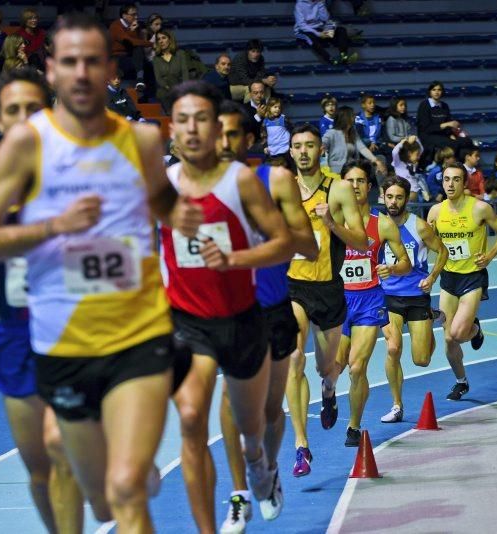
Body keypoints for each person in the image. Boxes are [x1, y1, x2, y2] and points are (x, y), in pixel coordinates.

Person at [0, 14, 197, 531]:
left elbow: (163, 203)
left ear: (108, 69)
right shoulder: (25, 147)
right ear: (50, 69)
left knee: (125, 489)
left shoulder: (140, 142)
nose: (81, 73)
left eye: (92, 61)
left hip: (138, 337)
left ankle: (132, 475)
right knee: (99, 498)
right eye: (69, 61)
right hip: (63, 346)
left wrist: (179, 216)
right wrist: (55, 226)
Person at [160, 80, 295, 533]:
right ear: (172, 129)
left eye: (202, 119)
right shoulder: (161, 185)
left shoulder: (240, 182)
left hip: (242, 321)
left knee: (250, 430)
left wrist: (234, 259)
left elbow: (283, 245)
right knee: (193, 417)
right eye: (183, 120)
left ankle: (259, 466)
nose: (192, 129)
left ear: (216, 129)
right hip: (187, 323)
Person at [0, 66, 84, 534]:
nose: (25, 118)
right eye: (14, 110)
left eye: (34, 107)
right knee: (39, 468)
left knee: (61, 449)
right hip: (17, 338)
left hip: (76, 334)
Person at [215, 100, 318, 533]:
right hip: (228, 311)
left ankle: (268, 470)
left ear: (252, 139)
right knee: (230, 401)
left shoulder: (274, 179)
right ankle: (239, 494)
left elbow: (309, 246)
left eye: (233, 134)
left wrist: (262, 233)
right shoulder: (195, 187)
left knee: (272, 411)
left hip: (273, 306)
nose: (223, 142)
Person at [286, 123, 368, 476]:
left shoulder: (339, 190)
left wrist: (331, 223)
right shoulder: (282, 188)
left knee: (326, 367)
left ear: (321, 150)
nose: (303, 151)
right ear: (290, 151)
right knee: (293, 360)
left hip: (329, 289)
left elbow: (363, 242)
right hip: (293, 286)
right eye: (297, 146)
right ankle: (301, 445)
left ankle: (329, 389)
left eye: (309, 145)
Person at [335, 161, 411, 446]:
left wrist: (391, 269)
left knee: (357, 367)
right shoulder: (333, 221)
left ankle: (354, 426)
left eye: (360, 181)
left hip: (369, 300)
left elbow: (406, 262)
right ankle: (330, 394)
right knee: (335, 368)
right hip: (338, 300)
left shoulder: (384, 224)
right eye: (349, 181)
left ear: (369, 186)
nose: (354, 186)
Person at [427, 163, 497, 400]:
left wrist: (490, 256)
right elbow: (427, 240)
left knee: (457, 333)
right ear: (442, 182)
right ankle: (461, 381)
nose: (450, 184)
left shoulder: (480, 209)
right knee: (448, 339)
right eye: (446, 179)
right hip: (449, 278)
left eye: (456, 180)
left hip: (473, 277)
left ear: (465, 184)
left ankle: (474, 329)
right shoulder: (435, 212)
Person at [380, 176, 448, 422]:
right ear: (382, 196)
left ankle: (430, 316)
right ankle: (397, 405)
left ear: (406, 199)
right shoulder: (377, 226)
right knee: (393, 348)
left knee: (421, 360)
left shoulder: (418, 226)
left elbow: (443, 251)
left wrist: (432, 277)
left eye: (399, 197)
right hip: (387, 296)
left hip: (417, 296)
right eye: (389, 196)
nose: (394, 201)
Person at [322, 105, 386, 180]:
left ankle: (382, 189)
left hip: (351, 168)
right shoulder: (332, 133)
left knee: (380, 160)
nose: (355, 117)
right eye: (352, 115)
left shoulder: (353, 132)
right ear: (346, 118)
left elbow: (362, 148)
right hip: (337, 170)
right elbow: (322, 143)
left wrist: (376, 160)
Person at [416, 81, 473, 163]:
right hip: (428, 136)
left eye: (439, 90)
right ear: (430, 91)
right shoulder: (424, 105)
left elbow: (448, 125)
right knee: (454, 144)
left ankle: (462, 167)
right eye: (434, 90)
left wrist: (451, 134)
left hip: (443, 136)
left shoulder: (444, 106)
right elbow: (426, 128)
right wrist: (446, 124)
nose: (436, 92)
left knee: (467, 141)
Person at [294, 0, 359, 65]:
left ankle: (344, 57)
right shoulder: (299, 4)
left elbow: (325, 19)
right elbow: (302, 25)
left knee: (341, 30)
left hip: (319, 28)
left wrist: (321, 5)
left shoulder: (319, 2)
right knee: (310, 37)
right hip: (304, 31)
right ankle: (330, 60)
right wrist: (317, 33)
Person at [109, 3, 152, 83]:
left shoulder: (134, 25)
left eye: (137, 14)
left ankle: (141, 84)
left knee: (150, 66)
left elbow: (137, 42)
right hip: (118, 57)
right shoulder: (115, 26)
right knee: (140, 62)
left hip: (131, 55)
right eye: (133, 15)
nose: (136, 17)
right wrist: (152, 44)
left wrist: (134, 30)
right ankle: (139, 79)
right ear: (124, 15)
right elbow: (130, 41)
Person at [229, 39, 277, 103]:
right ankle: (250, 112)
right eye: (253, 51)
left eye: (258, 52)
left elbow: (261, 75)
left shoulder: (260, 58)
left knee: (266, 89)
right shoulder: (240, 58)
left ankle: (265, 111)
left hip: (249, 83)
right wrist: (263, 80)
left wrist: (270, 80)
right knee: (251, 89)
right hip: (234, 86)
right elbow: (245, 80)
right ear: (248, 51)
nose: (256, 54)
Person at [152, 30, 190, 113]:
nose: (161, 41)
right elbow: (158, 78)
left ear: (170, 39)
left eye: (163, 38)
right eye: (158, 39)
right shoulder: (156, 59)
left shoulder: (180, 54)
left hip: (180, 86)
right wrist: (168, 88)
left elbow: (185, 73)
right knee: (164, 94)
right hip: (165, 89)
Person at [391, 135, 424, 202]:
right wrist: (403, 142)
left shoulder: (413, 163)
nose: (419, 157)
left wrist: (415, 138)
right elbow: (394, 152)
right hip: (406, 199)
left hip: (417, 197)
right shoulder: (399, 164)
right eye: (417, 154)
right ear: (409, 153)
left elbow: (421, 149)